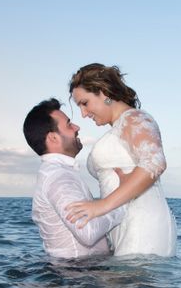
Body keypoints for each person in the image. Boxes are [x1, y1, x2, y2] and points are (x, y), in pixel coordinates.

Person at [66, 63, 177, 256]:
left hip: (142, 222)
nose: (83, 114)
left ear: (103, 92)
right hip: (122, 222)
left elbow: (155, 162)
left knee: (124, 284)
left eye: (85, 103)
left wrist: (101, 205)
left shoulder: (135, 119)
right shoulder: (120, 127)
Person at [23, 98, 125, 258]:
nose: (77, 127)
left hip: (77, 273)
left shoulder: (55, 173)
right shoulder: (59, 178)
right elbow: (87, 232)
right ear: (53, 138)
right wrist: (123, 202)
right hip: (78, 276)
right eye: (69, 124)